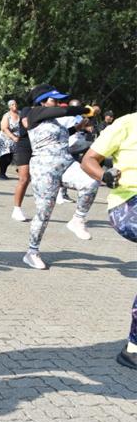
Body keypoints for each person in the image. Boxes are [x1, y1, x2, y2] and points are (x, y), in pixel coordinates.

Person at [21, 84, 100, 270]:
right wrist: (87, 110)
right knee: (44, 212)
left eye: (58, 100)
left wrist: (78, 125)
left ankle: (78, 220)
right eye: (53, 100)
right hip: (44, 168)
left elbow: (64, 133)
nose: (57, 103)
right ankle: (32, 252)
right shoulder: (34, 113)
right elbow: (65, 111)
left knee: (90, 182)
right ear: (41, 101)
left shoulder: (55, 120)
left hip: (65, 163)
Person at [81, 112, 137, 369]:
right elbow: (89, 160)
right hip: (127, 204)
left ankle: (133, 348)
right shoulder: (126, 124)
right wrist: (104, 176)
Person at [10, 101, 33, 222]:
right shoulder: (27, 109)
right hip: (25, 147)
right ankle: (16, 210)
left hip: (40, 147)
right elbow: (26, 124)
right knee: (24, 179)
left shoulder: (49, 114)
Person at [0, 100, 20, 179]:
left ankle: (20, 170)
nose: (14, 105)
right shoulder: (6, 115)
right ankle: (2, 173)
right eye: (12, 104)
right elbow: (4, 128)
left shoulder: (20, 114)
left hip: (18, 137)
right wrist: (13, 137)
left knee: (19, 155)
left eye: (15, 104)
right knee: (6, 156)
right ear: (9, 107)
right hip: (6, 137)